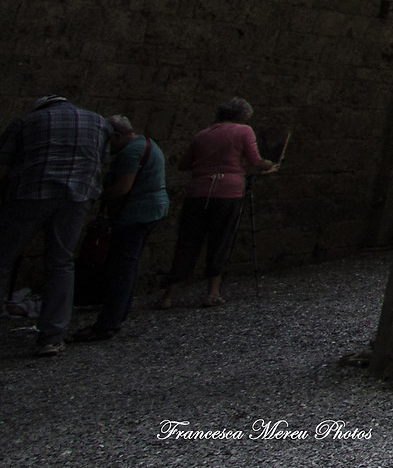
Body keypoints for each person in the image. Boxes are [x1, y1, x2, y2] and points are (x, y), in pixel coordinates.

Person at [0, 94, 109, 357]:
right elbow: (102, 160)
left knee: (3, 258)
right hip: (77, 197)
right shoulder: (99, 122)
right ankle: (52, 336)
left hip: (31, 193)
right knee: (61, 263)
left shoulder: (26, 121)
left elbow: (3, 166)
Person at [159, 98, 277, 309]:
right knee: (221, 240)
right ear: (242, 115)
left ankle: (169, 294)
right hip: (227, 192)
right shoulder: (243, 131)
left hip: (198, 191)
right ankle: (212, 292)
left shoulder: (202, 135)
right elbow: (255, 160)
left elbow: (183, 164)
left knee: (188, 241)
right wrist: (269, 165)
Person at [71, 116, 167, 343]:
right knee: (128, 265)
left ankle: (109, 322)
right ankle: (116, 315)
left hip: (136, 214)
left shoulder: (130, 152)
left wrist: (95, 194)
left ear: (116, 136)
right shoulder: (148, 144)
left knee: (122, 267)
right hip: (150, 211)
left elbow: (123, 187)